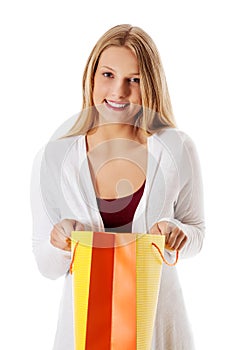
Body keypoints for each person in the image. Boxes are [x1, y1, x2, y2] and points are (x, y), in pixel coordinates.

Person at [31, 24, 205, 350]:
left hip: (158, 327)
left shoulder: (177, 148)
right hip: (84, 330)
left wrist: (175, 232)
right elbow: (45, 265)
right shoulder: (54, 158)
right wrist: (60, 240)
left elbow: (197, 233)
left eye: (134, 80)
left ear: (150, 84)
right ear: (91, 77)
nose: (119, 92)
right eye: (108, 75)